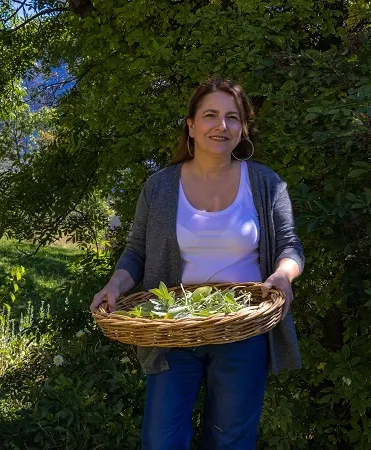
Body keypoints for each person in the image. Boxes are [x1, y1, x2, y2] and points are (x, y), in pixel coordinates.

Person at [90, 76, 305, 449]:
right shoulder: (159, 187)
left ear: (243, 129)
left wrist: (283, 275)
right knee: (161, 440)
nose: (221, 126)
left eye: (232, 117)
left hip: (243, 330)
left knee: (232, 441)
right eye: (210, 115)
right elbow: (136, 252)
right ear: (191, 125)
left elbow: (290, 246)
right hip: (175, 329)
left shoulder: (267, 184)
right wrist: (114, 286)